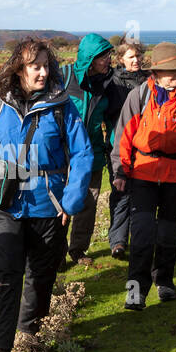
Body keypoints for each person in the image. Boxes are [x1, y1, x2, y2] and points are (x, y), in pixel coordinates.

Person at [0, 38, 94, 352]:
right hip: (5, 203)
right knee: (6, 273)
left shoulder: (63, 105)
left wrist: (72, 200)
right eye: (35, 66)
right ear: (19, 69)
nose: (43, 71)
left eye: (46, 65)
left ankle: (29, 333)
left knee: (41, 275)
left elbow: (82, 154)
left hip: (47, 205)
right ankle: (0, 351)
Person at [111, 43, 176, 308]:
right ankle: (135, 292)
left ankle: (164, 282)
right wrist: (121, 170)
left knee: (168, 236)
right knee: (142, 237)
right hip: (142, 175)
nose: (175, 76)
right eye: (168, 71)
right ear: (155, 72)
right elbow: (123, 137)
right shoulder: (139, 96)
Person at [58, 33, 115, 268]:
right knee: (59, 206)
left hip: (91, 155)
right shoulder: (62, 76)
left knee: (87, 205)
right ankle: (56, 254)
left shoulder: (107, 82)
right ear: (90, 59)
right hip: (60, 156)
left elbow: (111, 120)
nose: (109, 61)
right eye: (105, 57)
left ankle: (78, 250)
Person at [104, 38, 148, 258]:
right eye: (131, 57)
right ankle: (118, 241)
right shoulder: (112, 82)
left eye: (138, 56)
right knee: (121, 191)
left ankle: (140, 236)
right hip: (119, 144)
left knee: (143, 193)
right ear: (121, 59)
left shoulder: (150, 79)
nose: (136, 60)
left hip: (146, 146)